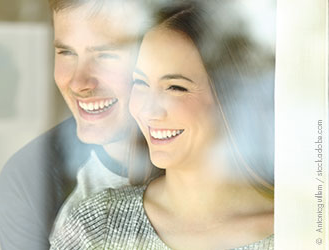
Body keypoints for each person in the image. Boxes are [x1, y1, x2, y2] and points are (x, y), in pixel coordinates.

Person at [50, 1, 275, 249]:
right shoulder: (95, 226)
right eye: (141, 83)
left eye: (175, 87)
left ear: (232, 97)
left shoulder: (301, 231)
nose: (148, 110)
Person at [0, 0, 156, 249]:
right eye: (67, 53)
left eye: (106, 54)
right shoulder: (31, 178)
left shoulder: (205, 164)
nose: (79, 82)